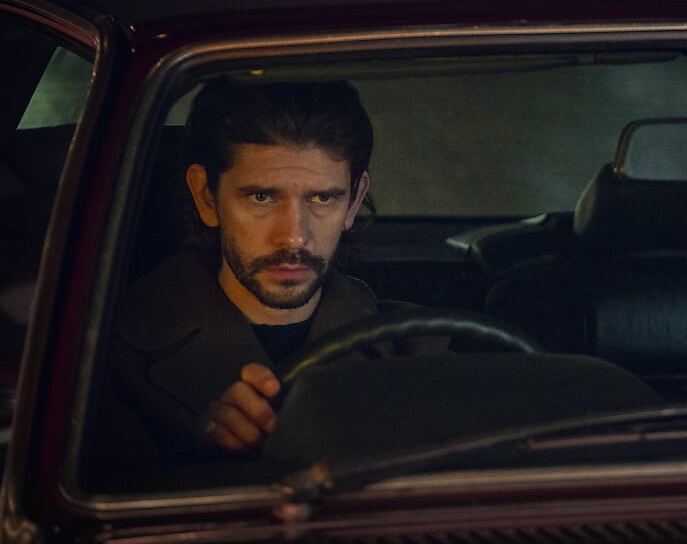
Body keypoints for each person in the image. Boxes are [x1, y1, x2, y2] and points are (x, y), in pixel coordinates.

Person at [97, 79, 439, 471]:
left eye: (322, 198)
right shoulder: (102, 358)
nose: (293, 235)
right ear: (206, 196)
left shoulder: (420, 347)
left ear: (354, 201)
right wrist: (199, 460)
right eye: (261, 197)